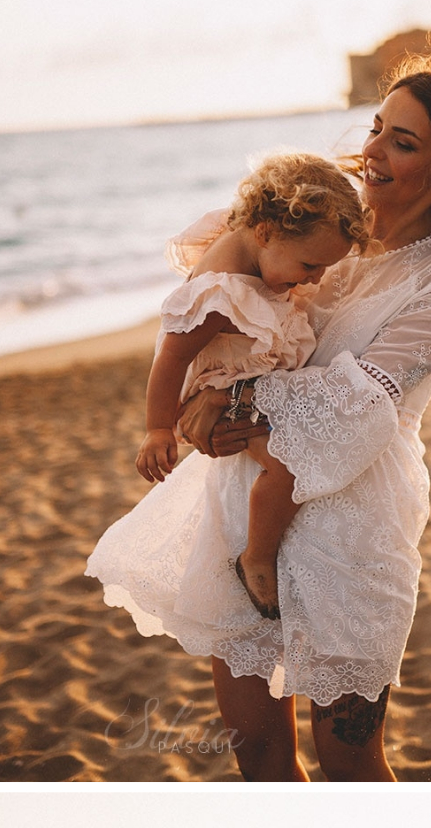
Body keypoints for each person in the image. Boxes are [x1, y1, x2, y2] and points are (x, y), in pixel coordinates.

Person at [151, 56, 431, 784]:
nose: (372, 150)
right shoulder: (317, 227)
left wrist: (234, 403)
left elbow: (362, 397)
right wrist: (192, 400)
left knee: (350, 761)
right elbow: (204, 310)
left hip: (352, 526)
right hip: (240, 501)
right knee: (259, 755)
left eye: (403, 142)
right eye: (377, 129)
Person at [89, 154, 369, 634]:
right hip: (221, 385)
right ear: (265, 232)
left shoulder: (255, 239)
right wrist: (158, 428)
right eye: (310, 265)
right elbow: (171, 357)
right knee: (287, 463)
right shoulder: (222, 297)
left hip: (240, 375)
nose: (316, 279)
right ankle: (257, 557)